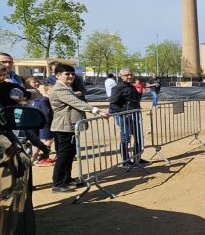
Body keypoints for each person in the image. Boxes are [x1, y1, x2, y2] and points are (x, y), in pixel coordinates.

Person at [49, 64, 110, 192]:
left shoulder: (67, 88)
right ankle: (58, 183)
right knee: (64, 155)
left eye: (72, 73)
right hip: (63, 127)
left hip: (70, 126)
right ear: (57, 76)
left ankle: (67, 179)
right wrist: (97, 110)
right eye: (67, 74)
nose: (71, 76)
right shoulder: (59, 89)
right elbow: (76, 102)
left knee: (70, 154)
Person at [109, 68, 147, 167]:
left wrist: (140, 91)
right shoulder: (117, 88)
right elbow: (113, 104)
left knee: (139, 137)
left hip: (135, 115)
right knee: (125, 139)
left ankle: (137, 158)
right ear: (121, 76)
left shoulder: (132, 87)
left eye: (131, 74)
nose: (129, 76)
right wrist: (124, 113)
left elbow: (136, 100)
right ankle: (126, 161)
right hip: (124, 117)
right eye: (127, 75)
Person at [25, 76, 55, 167]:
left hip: (38, 122)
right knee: (46, 141)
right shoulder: (28, 94)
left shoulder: (40, 95)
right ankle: (42, 158)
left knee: (37, 141)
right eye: (34, 82)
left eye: (38, 81)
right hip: (38, 122)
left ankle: (34, 159)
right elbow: (47, 113)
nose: (37, 83)